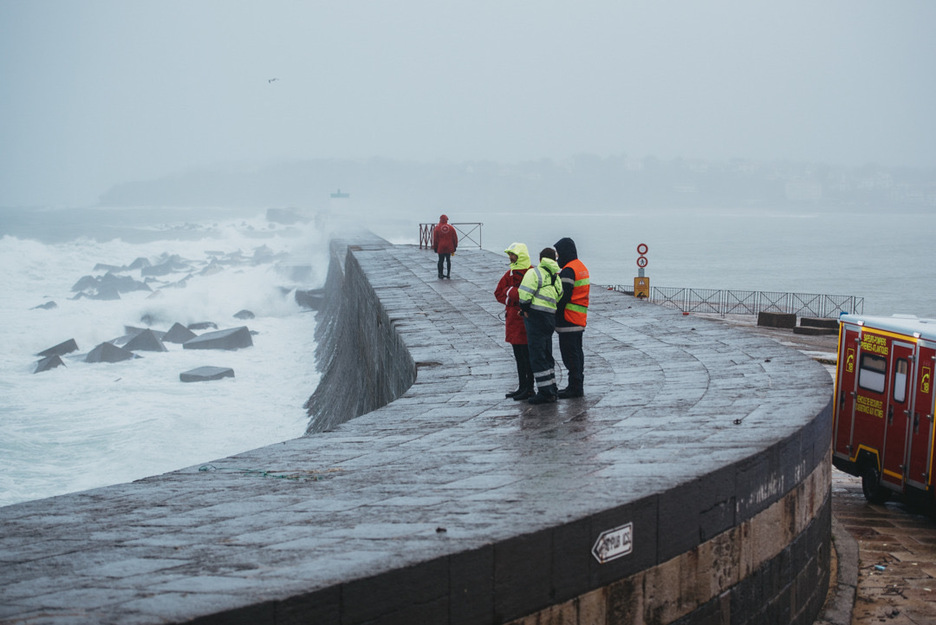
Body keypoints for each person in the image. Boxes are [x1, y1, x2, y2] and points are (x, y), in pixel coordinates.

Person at [517, 247, 563, 404]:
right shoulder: (555, 276)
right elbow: (560, 294)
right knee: (547, 354)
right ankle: (552, 388)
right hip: (550, 317)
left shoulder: (534, 273)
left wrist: (525, 309)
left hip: (535, 317)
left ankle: (545, 392)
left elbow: (523, 294)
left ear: (540, 259)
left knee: (537, 355)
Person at [494, 243, 534, 401]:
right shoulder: (509, 274)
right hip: (513, 321)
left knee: (527, 356)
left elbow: (531, 295)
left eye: (513, 255)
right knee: (519, 356)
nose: (510, 258)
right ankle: (523, 386)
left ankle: (529, 387)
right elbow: (498, 293)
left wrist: (512, 295)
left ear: (520, 256)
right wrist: (511, 300)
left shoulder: (531, 273)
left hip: (525, 321)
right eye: (510, 254)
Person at [554, 237, 590, 398]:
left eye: (558, 254)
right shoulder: (581, 267)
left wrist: (554, 311)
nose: (557, 258)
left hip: (568, 319)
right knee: (577, 354)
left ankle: (574, 388)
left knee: (569, 355)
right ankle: (576, 385)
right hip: (579, 318)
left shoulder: (568, 270)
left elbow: (563, 296)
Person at [432, 214, 458, 279]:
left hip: (441, 247)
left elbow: (435, 239)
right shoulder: (451, 228)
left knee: (440, 260)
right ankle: (448, 274)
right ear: (446, 220)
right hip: (449, 246)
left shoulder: (437, 227)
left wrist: (435, 247)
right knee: (448, 260)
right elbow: (455, 238)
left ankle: (440, 274)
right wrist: (455, 246)